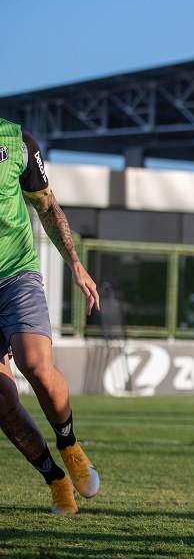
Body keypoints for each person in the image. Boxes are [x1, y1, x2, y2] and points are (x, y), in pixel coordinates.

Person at [0, 118, 102, 514]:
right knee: (1, 396)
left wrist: (74, 262)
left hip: (16, 275)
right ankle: (54, 478)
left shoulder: (17, 140)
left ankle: (70, 445)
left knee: (37, 367)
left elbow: (46, 205)